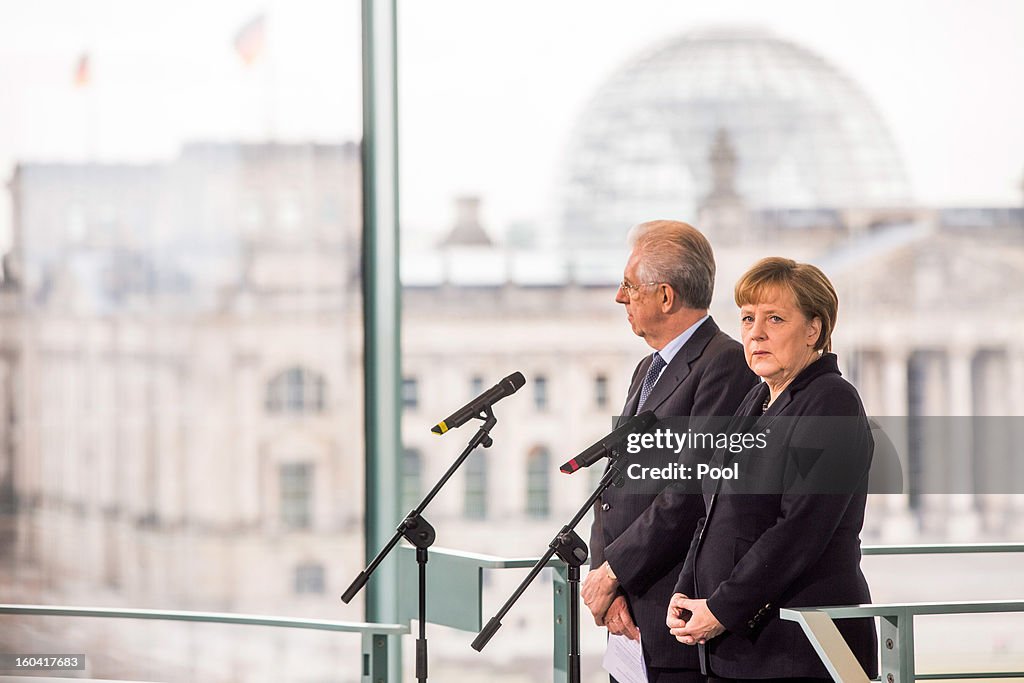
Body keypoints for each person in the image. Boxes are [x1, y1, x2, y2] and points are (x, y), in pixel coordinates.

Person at [665, 257, 878, 682]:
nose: (755, 333)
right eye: (747, 319)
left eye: (774, 319)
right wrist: (686, 589)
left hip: (799, 647)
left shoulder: (831, 401)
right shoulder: (756, 400)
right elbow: (714, 511)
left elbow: (799, 528)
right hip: (737, 647)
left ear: (814, 329)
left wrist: (723, 608)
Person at [582, 220, 758, 682]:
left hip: (674, 617)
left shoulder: (725, 364)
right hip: (626, 610)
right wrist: (607, 578)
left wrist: (614, 570)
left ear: (665, 296)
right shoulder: (647, 368)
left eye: (628, 286)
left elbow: (690, 491)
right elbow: (613, 483)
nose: (620, 298)